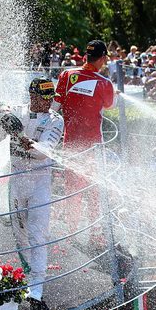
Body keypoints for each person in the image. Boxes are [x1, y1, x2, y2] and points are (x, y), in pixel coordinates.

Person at [0, 78, 65, 310]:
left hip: (40, 181)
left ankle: (37, 293)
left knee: (37, 235)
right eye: (44, 96)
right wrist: (1, 119)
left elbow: (44, 152)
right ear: (32, 96)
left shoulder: (56, 120)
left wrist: (23, 139)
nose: (49, 100)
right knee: (20, 235)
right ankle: (29, 282)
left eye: (51, 95)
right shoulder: (17, 112)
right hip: (17, 180)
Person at [51, 40, 115, 236]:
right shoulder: (105, 83)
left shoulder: (66, 74)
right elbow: (109, 105)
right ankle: (96, 233)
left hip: (70, 143)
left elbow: (55, 106)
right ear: (103, 58)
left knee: (72, 190)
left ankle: (72, 232)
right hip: (94, 147)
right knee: (96, 190)